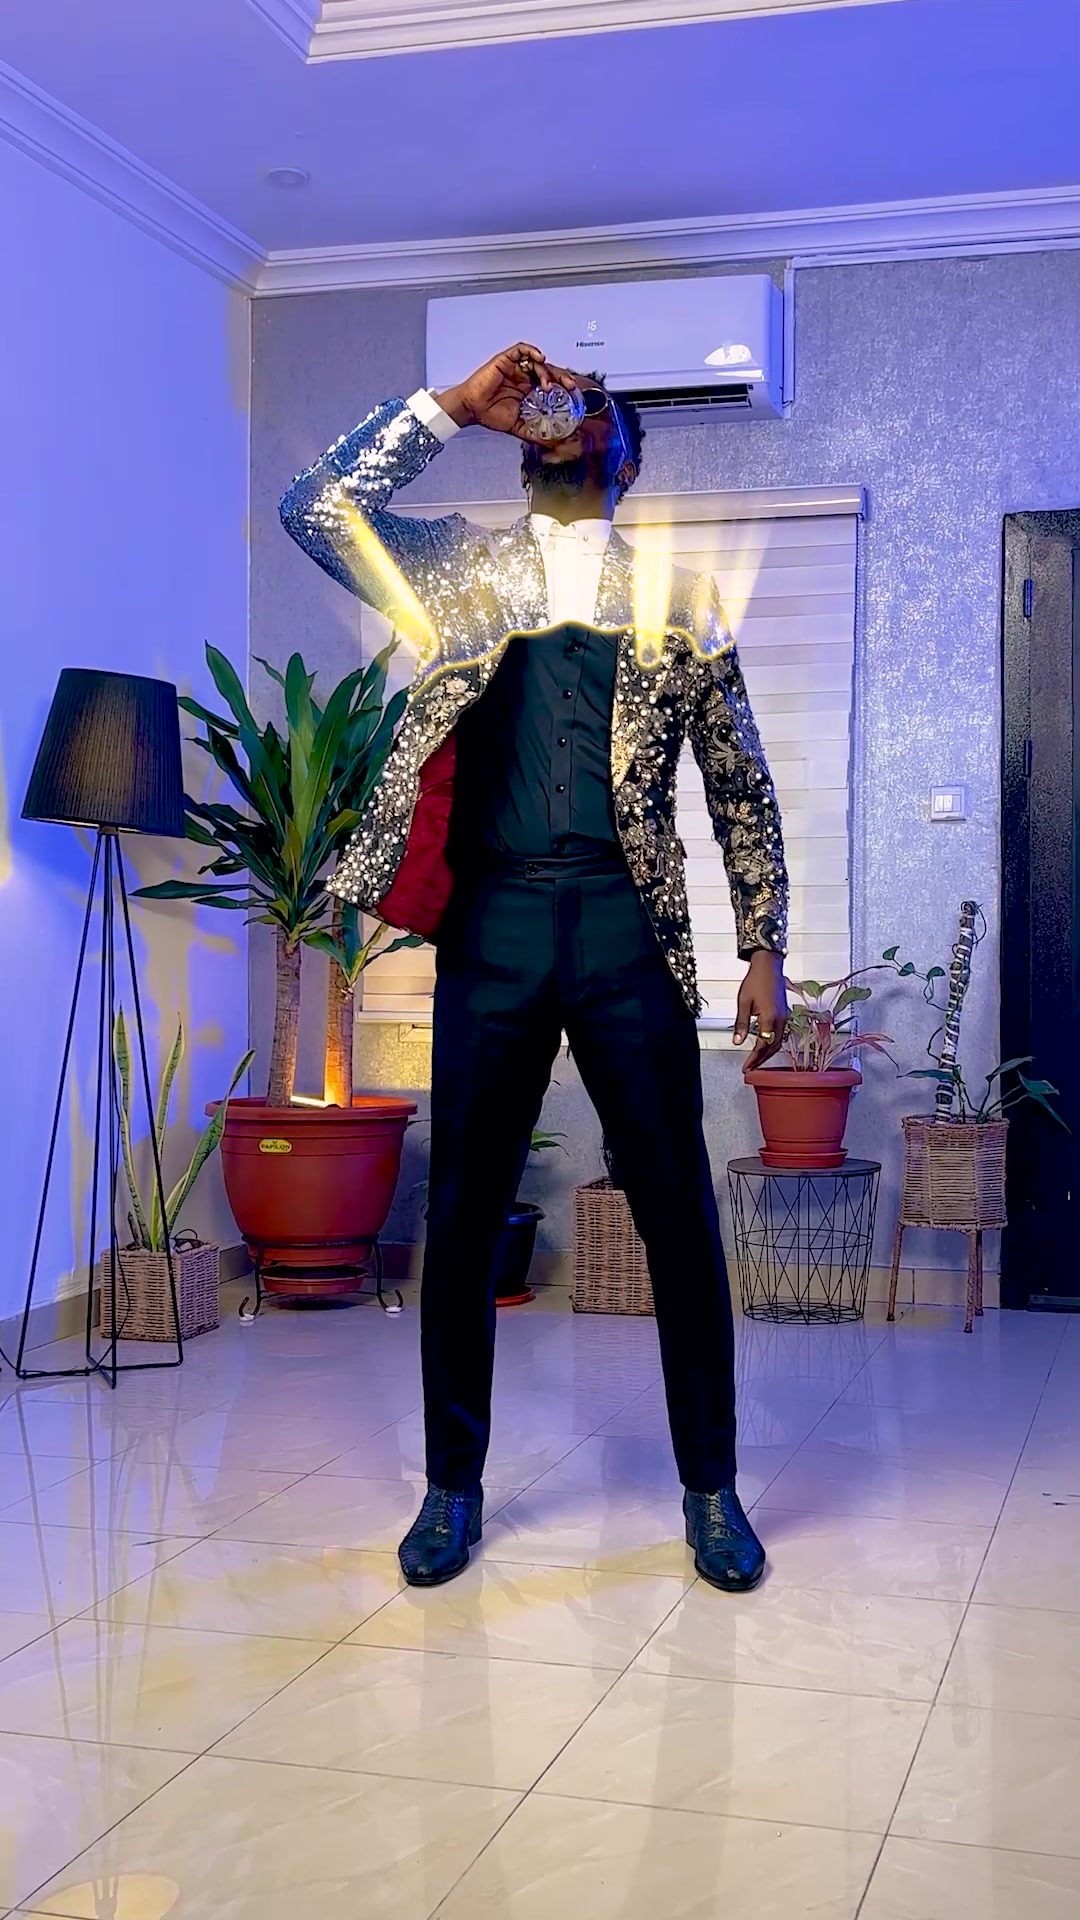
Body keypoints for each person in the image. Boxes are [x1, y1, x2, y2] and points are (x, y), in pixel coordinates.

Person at [280, 344, 789, 1593]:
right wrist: (452, 407)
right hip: (495, 925)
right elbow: (313, 510)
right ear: (522, 447)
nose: (572, 409)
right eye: (558, 402)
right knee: (461, 1214)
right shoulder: (456, 573)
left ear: (627, 459)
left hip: (626, 927)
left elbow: (740, 784)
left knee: (677, 1214)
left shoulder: (682, 597)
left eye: (600, 405)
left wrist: (763, 947)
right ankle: (451, 1490)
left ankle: (712, 1490)